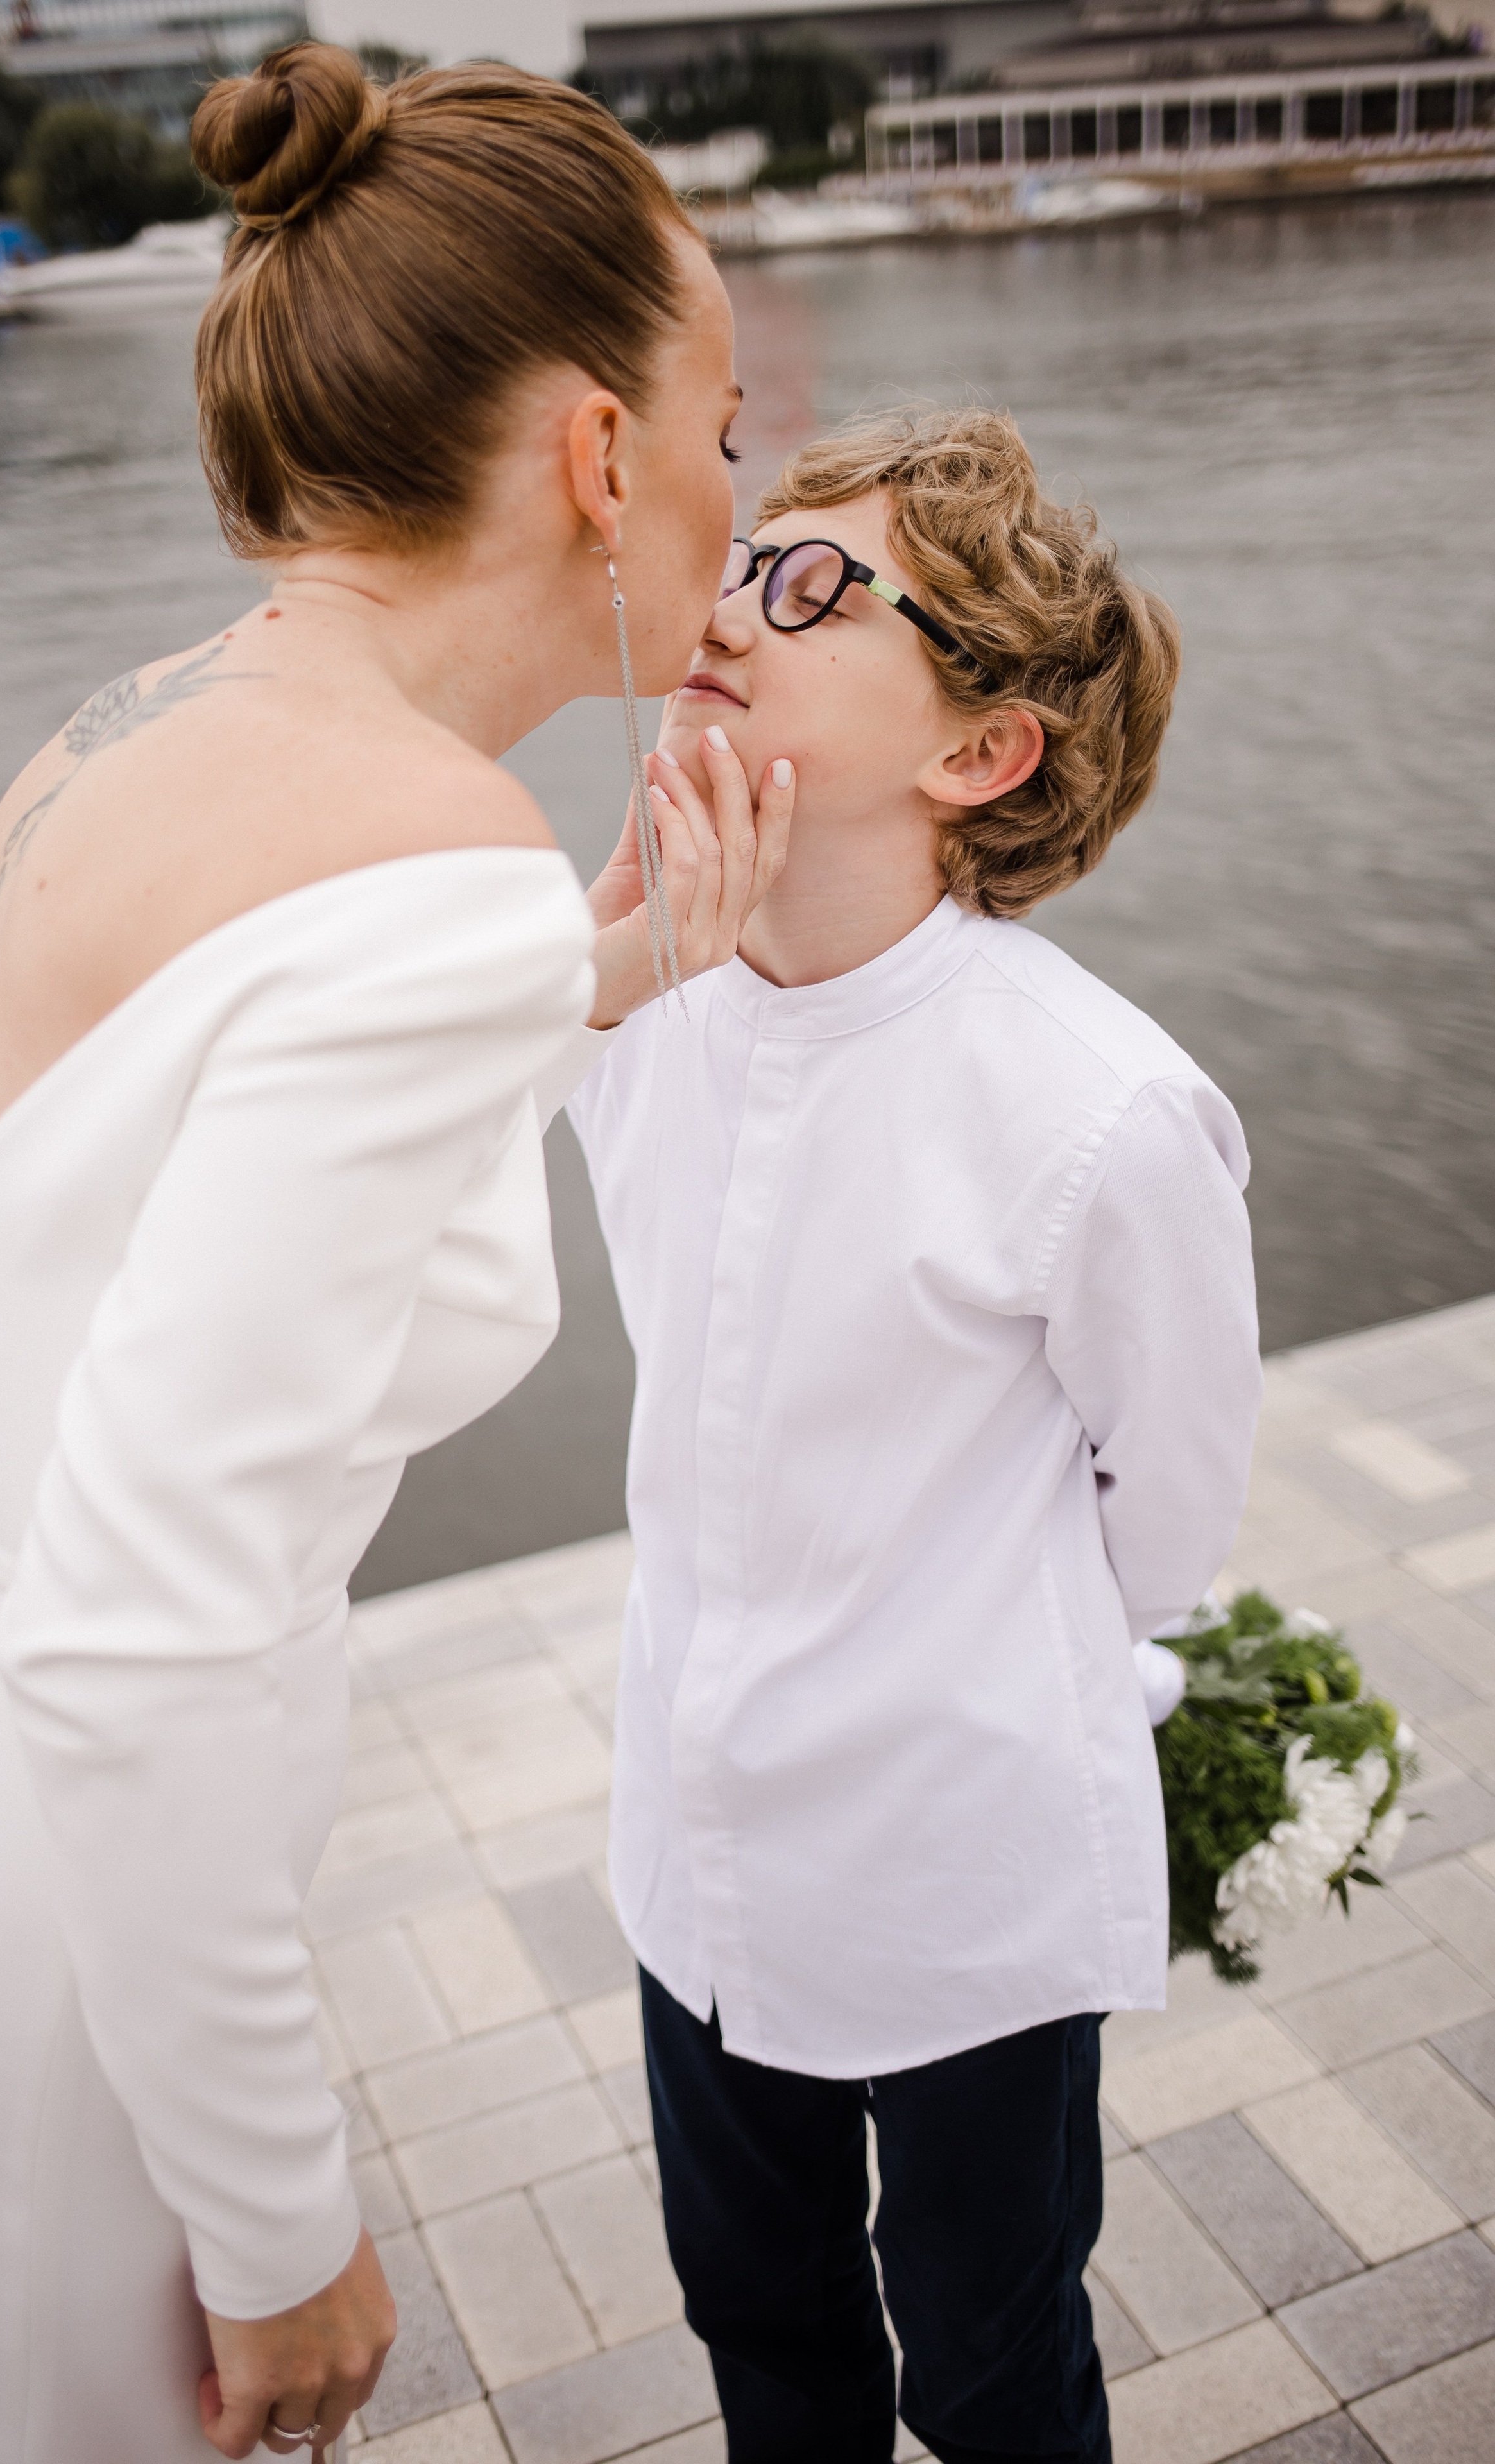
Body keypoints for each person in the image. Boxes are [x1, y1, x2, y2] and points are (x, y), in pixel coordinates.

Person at [0, 44, 792, 2464]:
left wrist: (587, 977)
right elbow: (136, 1630)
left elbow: (95, 1241)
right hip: (71, 1920)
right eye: (719, 429)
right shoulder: (429, 861)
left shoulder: (144, 728)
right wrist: (281, 2232)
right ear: (597, 454)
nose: (732, 489)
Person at [554, 407, 1263, 2462]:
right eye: (739, 560)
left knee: (990, 2359)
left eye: (809, 585)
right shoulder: (646, 999)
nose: (730, 604)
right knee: (760, 2330)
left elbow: (1171, 1501)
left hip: (962, 1871)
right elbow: (414, 1212)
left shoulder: (1101, 1112)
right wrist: (598, 983)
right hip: (693, 1841)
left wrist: (983, 1643)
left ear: (977, 753)